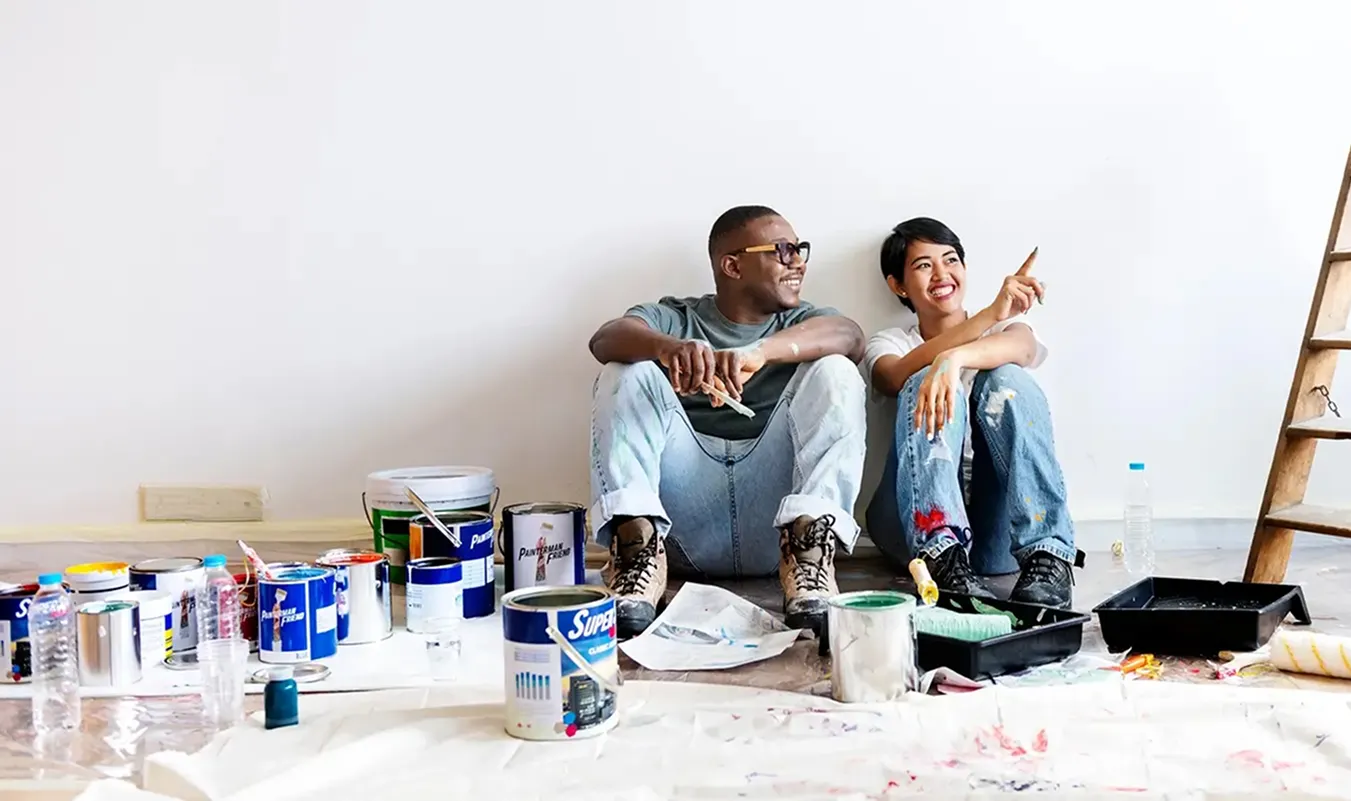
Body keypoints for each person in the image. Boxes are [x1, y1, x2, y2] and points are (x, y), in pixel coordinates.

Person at [588, 205, 868, 638]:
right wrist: (668, 349)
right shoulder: (676, 316)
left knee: (838, 371)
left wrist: (761, 354)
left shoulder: (802, 322)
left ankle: (811, 563)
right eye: (782, 250)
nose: (797, 261)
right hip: (684, 525)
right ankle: (637, 556)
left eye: (800, 250)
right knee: (625, 370)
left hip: (775, 530)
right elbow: (605, 339)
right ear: (732, 265)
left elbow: (850, 337)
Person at [862, 217, 1078, 608]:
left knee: (1008, 379)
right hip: (910, 527)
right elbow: (892, 377)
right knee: (920, 377)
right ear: (897, 285)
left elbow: (1024, 349)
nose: (942, 274)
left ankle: (1048, 555)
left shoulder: (1007, 328)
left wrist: (956, 358)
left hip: (993, 533)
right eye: (924, 265)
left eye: (950, 260)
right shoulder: (890, 341)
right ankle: (942, 557)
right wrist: (983, 322)